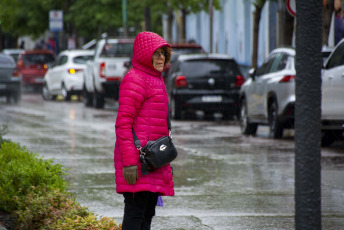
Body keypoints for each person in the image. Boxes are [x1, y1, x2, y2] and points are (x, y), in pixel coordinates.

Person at [114, 31, 174, 230]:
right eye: (155, 53)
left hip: (153, 161)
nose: (160, 58)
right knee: (135, 213)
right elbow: (123, 123)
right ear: (143, 55)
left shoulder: (156, 79)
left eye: (163, 54)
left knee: (147, 213)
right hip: (138, 163)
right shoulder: (135, 79)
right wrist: (130, 163)